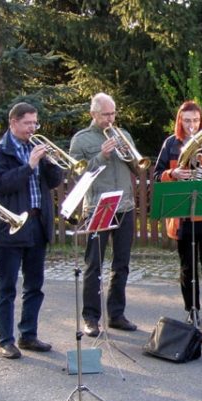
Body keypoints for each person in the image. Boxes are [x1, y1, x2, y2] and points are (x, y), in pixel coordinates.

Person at [0, 102, 63, 359]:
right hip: (10, 226)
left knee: (35, 285)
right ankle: (5, 340)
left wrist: (50, 162)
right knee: (7, 287)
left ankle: (28, 334)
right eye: (28, 123)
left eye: (35, 123)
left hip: (37, 225)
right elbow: (0, 184)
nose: (33, 128)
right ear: (13, 122)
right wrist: (29, 166)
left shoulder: (35, 147)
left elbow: (54, 182)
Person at [154, 100, 202, 326]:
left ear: (201, 121)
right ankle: (191, 309)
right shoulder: (170, 144)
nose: (192, 125)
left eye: (195, 120)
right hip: (183, 215)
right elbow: (158, 174)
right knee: (187, 267)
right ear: (180, 121)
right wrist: (173, 173)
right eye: (187, 120)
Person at [70, 93, 138, 336]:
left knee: (122, 264)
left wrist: (127, 152)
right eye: (105, 114)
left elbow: (137, 167)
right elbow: (78, 173)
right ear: (93, 114)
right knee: (93, 266)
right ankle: (91, 318)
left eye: (113, 113)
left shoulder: (124, 134)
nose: (110, 119)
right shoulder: (81, 140)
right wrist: (102, 155)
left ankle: (117, 315)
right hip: (98, 207)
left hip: (125, 206)